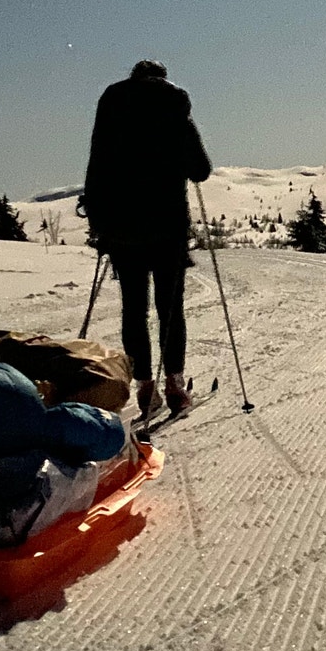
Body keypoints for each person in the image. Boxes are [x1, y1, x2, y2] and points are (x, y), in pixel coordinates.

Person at [81, 60, 212, 420]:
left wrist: (98, 220)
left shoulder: (111, 111)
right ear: (162, 79)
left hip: (122, 228)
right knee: (170, 309)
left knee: (133, 309)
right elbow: (200, 169)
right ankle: (175, 384)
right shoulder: (175, 107)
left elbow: (96, 167)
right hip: (167, 226)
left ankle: (145, 388)